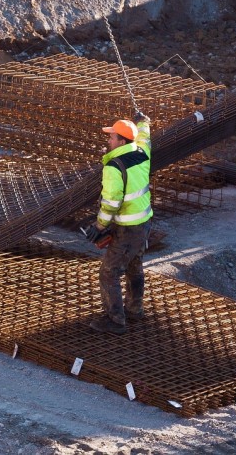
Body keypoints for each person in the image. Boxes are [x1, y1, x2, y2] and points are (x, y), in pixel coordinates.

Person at [85, 111, 153, 335]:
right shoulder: (142, 152)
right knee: (134, 266)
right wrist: (143, 122)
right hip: (143, 223)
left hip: (127, 228)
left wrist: (100, 226)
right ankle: (134, 309)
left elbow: (111, 202)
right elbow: (144, 136)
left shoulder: (114, 166)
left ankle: (115, 321)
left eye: (112, 137)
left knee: (109, 273)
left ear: (122, 141)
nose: (108, 140)